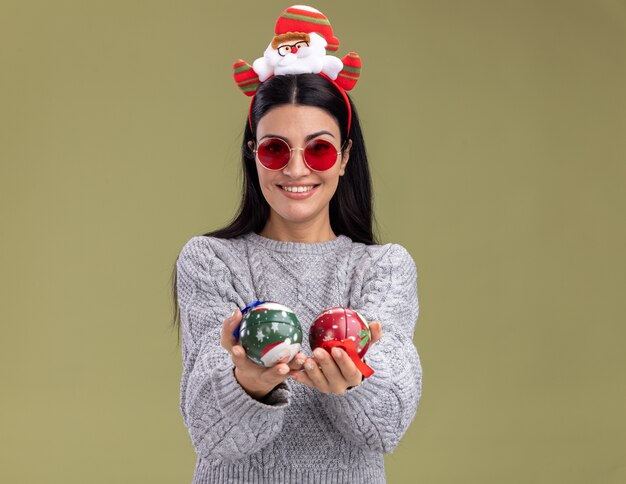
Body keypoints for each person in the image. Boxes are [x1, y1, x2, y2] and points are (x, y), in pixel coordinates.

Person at [171, 6, 422, 483]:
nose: (296, 168)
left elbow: (385, 426)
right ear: (254, 156)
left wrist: (353, 385)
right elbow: (210, 434)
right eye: (275, 148)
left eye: (319, 148)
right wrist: (249, 383)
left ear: (345, 157)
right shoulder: (210, 261)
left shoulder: (383, 268)